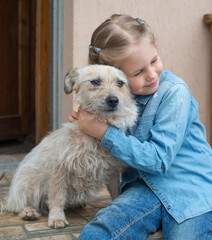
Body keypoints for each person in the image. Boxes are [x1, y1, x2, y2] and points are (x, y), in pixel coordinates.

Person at [69, 14, 212, 240]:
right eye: (137, 73)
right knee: (101, 230)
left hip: (190, 188)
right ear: (114, 75)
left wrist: (103, 133)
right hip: (143, 188)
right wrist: (87, 122)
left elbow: (159, 160)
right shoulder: (116, 101)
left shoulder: (175, 93)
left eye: (154, 60)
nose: (152, 74)